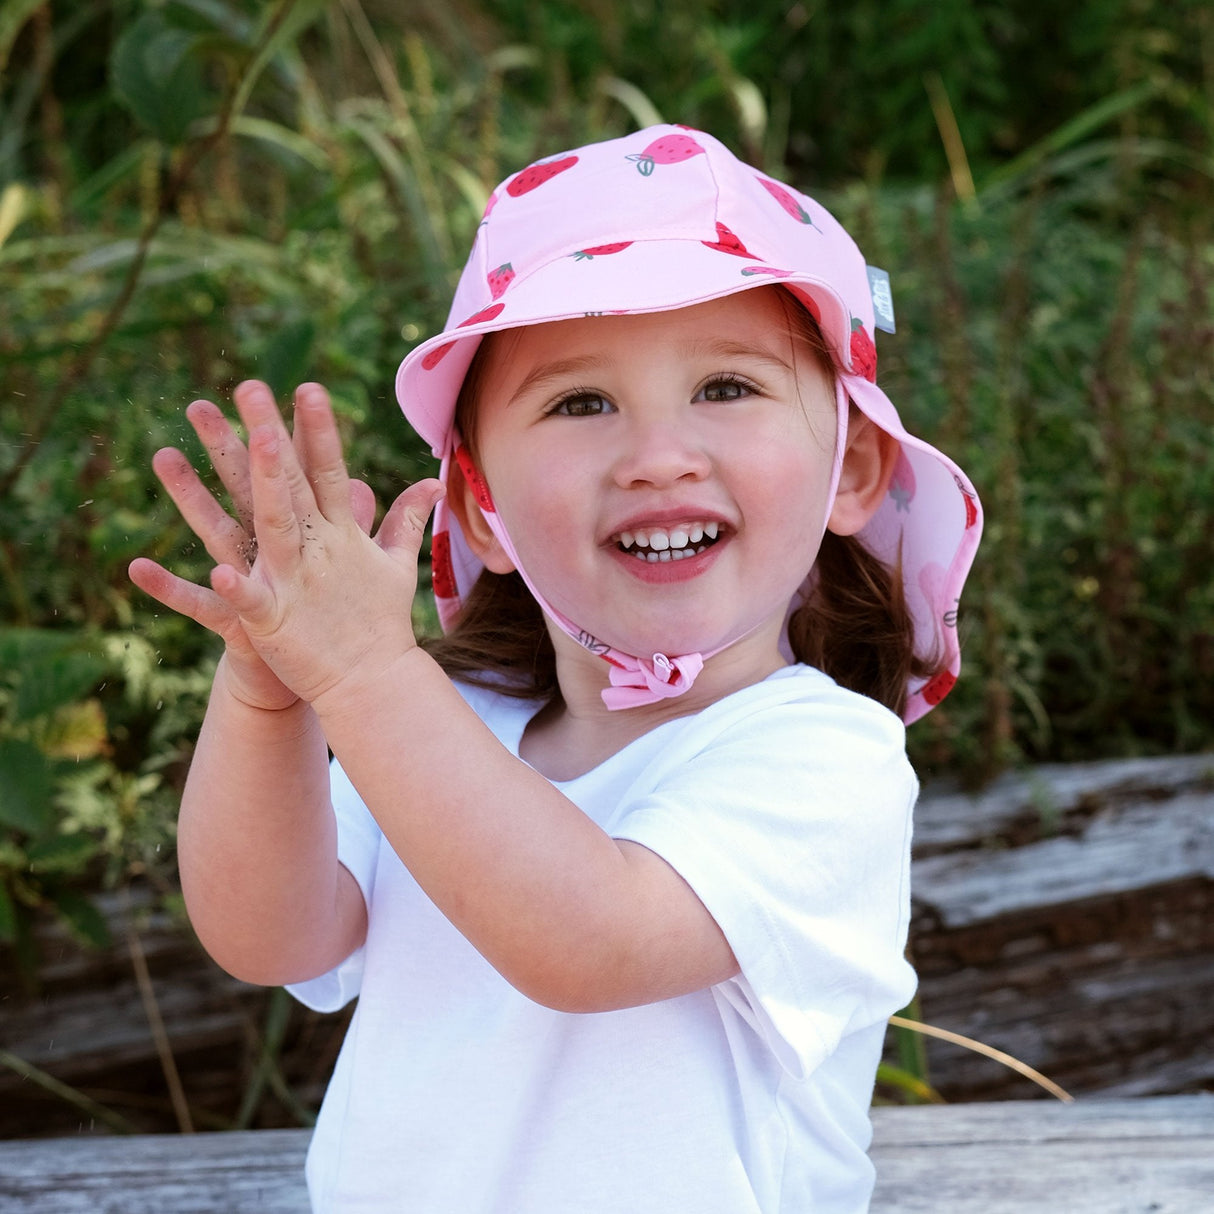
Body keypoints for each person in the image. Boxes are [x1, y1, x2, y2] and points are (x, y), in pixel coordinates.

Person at [130, 124, 981, 1213]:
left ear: (851, 468)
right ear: (480, 506)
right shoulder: (448, 724)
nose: (658, 453)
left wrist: (366, 676)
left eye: (725, 385)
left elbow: (592, 937)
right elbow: (268, 934)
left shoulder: (822, 757)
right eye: (580, 402)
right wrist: (271, 688)